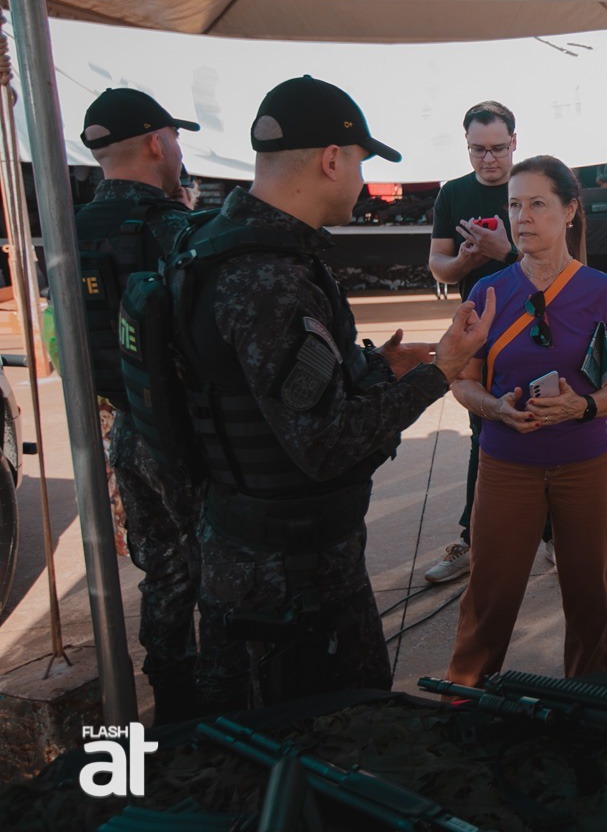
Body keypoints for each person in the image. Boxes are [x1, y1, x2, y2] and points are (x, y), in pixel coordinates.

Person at [179, 76, 495, 714]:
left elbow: (278, 390)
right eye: (359, 163)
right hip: (289, 586)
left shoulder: (224, 245)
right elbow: (326, 444)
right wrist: (439, 372)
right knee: (333, 742)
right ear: (331, 159)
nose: (360, 182)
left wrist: (375, 367)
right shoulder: (268, 279)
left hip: (264, 560)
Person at [445, 156, 607, 682]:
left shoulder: (603, 291)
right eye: (514, 205)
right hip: (507, 464)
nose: (522, 217)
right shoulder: (487, 292)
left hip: (588, 465)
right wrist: (495, 409)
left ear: (570, 210)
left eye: (537, 203)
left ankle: (588, 700)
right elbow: (462, 380)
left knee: (588, 600)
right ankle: (463, 702)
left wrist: (582, 405)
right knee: (489, 599)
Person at [75, 88, 200, 721]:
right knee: (216, 567)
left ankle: (172, 701)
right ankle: (228, 713)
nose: (177, 151)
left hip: (125, 428)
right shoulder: (169, 227)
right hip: (182, 435)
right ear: (156, 142)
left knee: (164, 573)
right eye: (174, 138)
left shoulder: (72, 229)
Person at [424, 101, 520, 584]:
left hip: (536, 326)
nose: (488, 159)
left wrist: (507, 252)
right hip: (479, 332)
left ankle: (548, 531)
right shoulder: (453, 194)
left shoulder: (532, 185)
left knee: (544, 425)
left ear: (514, 143)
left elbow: (567, 261)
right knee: (482, 432)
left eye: (497, 148)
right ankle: (473, 536)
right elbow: (438, 265)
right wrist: (465, 261)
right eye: (477, 150)